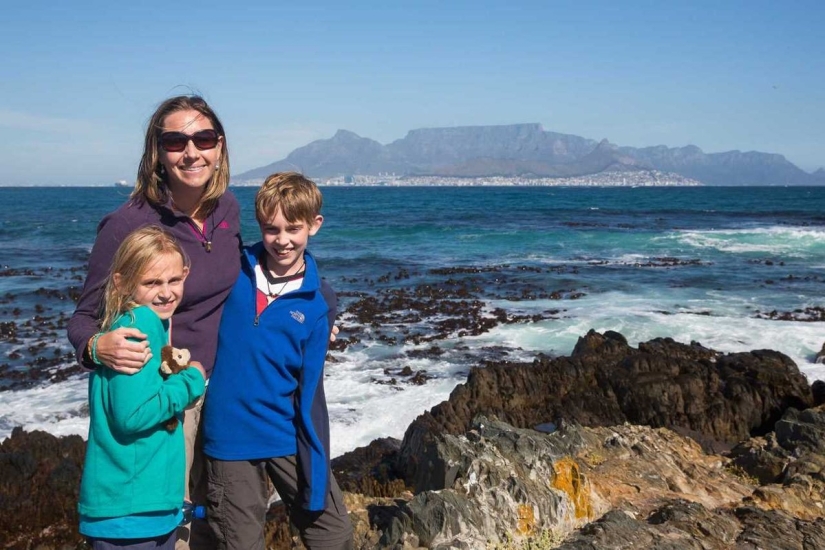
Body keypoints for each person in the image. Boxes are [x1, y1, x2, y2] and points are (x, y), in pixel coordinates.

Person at [68, 95, 242, 549]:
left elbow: (254, 271)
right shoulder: (128, 224)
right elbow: (84, 316)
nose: (191, 152)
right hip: (169, 396)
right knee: (173, 526)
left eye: (204, 138)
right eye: (175, 141)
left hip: (226, 387)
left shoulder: (228, 209)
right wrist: (96, 346)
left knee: (224, 520)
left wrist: (319, 308)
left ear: (220, 146)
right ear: (157, 151)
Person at [202, 172, 353, 549]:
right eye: (271, 229)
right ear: (259, 226)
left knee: (334, 534)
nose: (282, 239)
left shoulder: (320, 301)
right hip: (229, 438)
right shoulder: (233, 271)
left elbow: (310, 383)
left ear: (314, 225)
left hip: (287, 433)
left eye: (293, 229)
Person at [78, 225, 206, 549]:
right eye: (151, 283)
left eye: (174, 280)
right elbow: (133, 415)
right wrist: (191, 380)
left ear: (185, 274)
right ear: (122, 283)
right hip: (130, 514)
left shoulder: (146, 322)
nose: (166, 292)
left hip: (139, 507)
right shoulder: (139, 326)